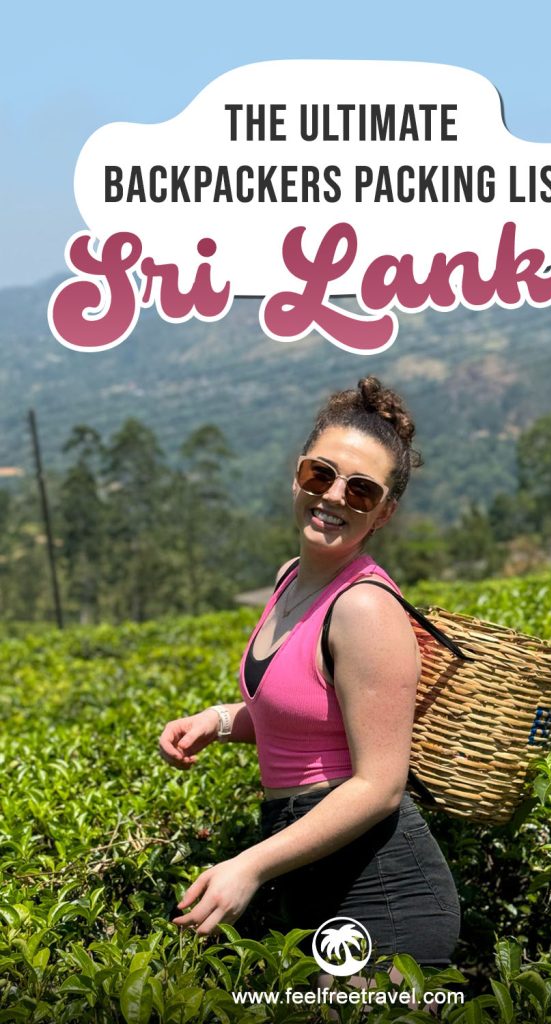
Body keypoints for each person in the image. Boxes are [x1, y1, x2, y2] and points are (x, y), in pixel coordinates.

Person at [158, 376, 460, 974]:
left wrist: (249, 865)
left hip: (383, 894)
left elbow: (380, 785)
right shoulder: (289, 578)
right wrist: (218, 722)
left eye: (361, 490)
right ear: (297, 475)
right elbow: (303, 712)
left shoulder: (366, 608)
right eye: (321, 475)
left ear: (383, 513)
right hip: (309, 867)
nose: (334, 497)